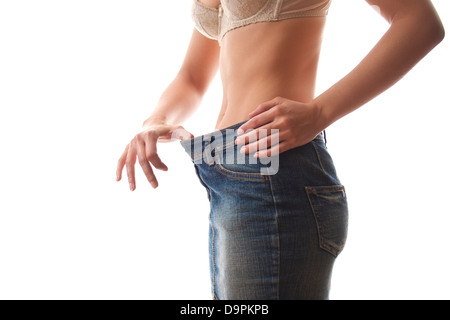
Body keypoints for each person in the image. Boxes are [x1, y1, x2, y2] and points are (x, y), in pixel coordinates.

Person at [116, 0, 444, 300]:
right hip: (228, 175)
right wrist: (154, 120)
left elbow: (419, 23)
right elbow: (192, 77)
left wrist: (319, 113)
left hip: (275, 174)